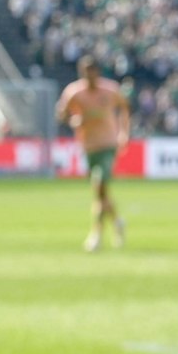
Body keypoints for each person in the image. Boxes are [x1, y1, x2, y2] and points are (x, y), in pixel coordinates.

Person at [55, 55, 130, 252]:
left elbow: (124, 108)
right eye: (85, 72)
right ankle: (117, 221)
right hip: (88, 146)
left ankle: (96, 234)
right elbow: (62, 113)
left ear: (97, 72)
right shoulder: (74, 92)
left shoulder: (110, 90)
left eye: (92, 71)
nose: (89, 76)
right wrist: (73, 120)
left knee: (99, 186)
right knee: (101, 191)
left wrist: (124, 133)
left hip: (108, 144)